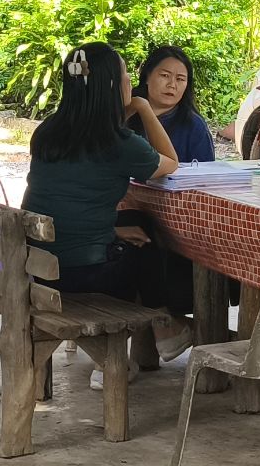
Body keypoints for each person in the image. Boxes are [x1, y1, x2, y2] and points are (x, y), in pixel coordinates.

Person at [21, 43, 179, 306]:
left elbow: (65, 203)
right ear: (112, 85)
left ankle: (158, 323)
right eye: (125, 74)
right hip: (83, 274)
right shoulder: (119, 142)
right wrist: (143, 107)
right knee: (152, 250)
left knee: (136, 220)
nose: (130, 81)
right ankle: (162, 321)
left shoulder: (49, 130)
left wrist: (114, 231)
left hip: (38, 265)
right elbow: (171, 162)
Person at [135, 44, 216, 164]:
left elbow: (206, 171)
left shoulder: (194, 126)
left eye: (180, 79)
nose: (172, 85)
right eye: (165, 76)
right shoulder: (124, 112)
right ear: (147, 76)